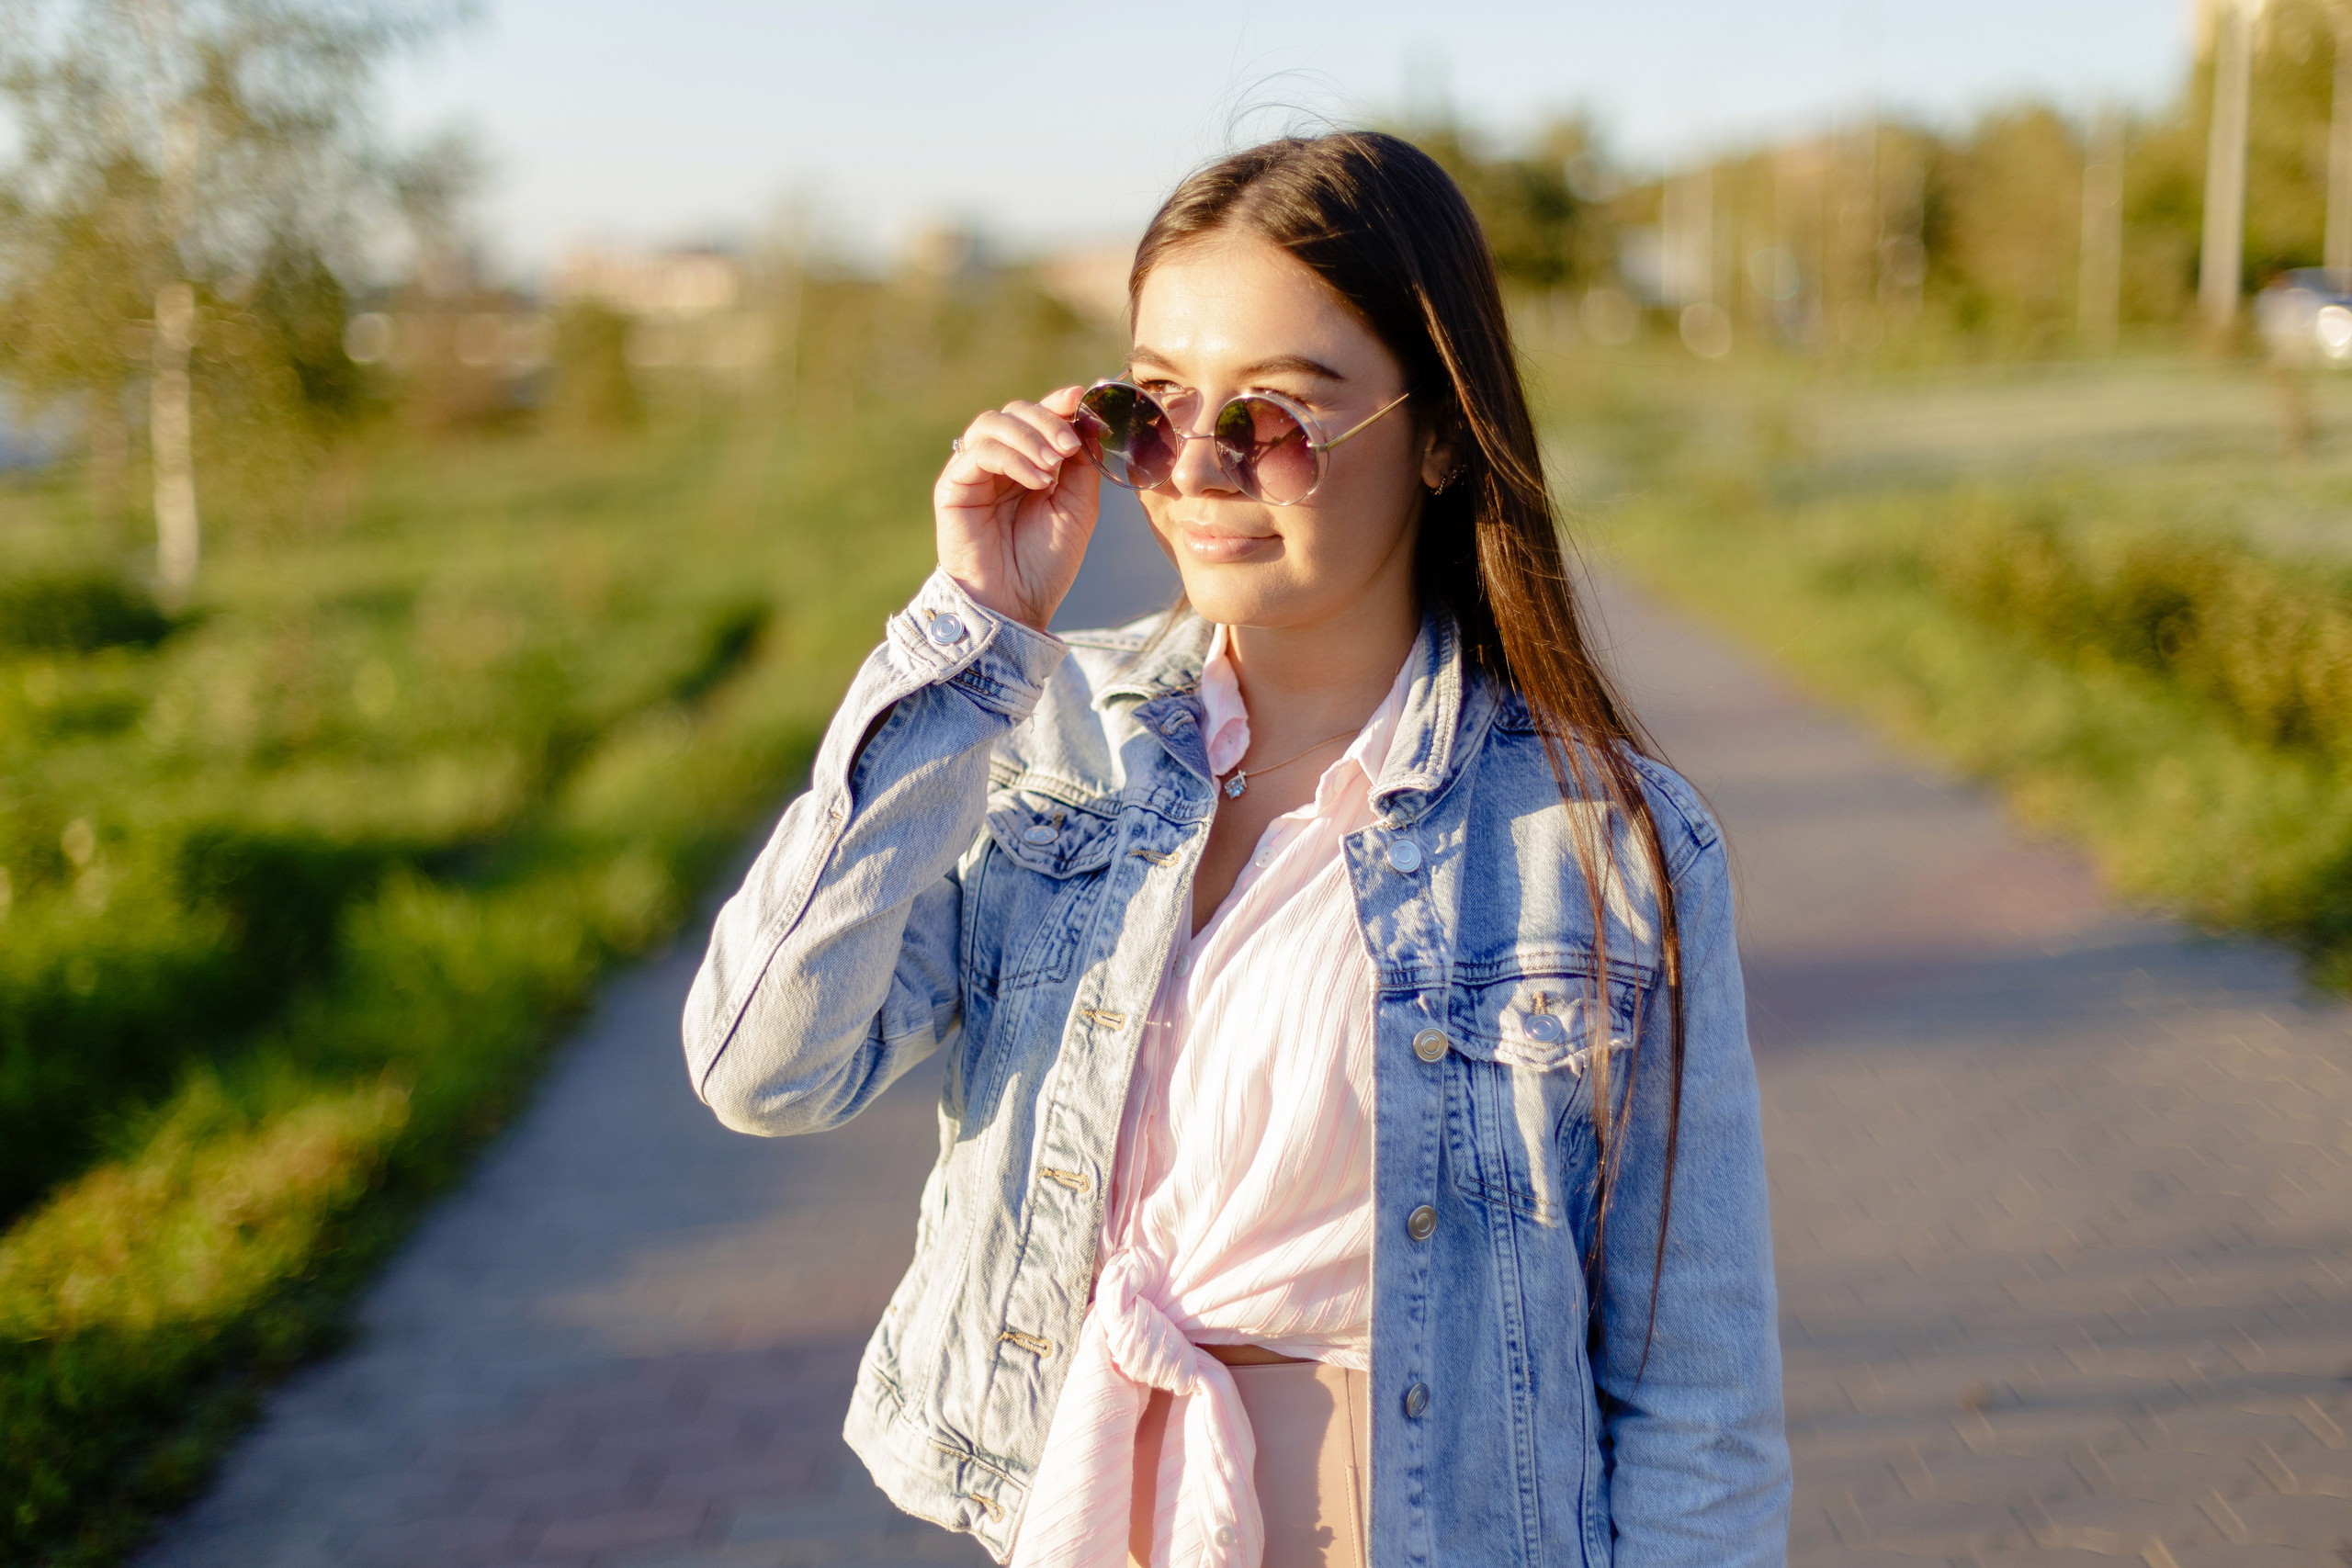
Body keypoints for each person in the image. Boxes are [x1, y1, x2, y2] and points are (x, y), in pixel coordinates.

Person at [683, 130, 1789, 1568]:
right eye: (1150, 408)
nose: (1195, 470)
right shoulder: (1043, 739)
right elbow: (766, 1064)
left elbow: (1696, 1392)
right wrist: (970, 636)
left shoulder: (1602, 842)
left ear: (1442, 429)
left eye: (1269, 418)